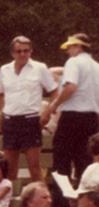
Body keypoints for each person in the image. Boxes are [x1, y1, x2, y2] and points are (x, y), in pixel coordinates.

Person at [0, 36, 57, 185]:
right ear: (12, 53)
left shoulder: (40, 68)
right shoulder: (5, 70)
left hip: (31, 121)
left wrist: (47, 112)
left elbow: (54, 91)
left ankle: (43, 198)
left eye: (26, 51)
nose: (22, 54)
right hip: (10, 122)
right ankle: (8, 199)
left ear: (31, 51)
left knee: (35, 169)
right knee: (9, 170)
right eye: (19, 51)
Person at [42, 33, 99, 187]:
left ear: (78, 47)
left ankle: (61, 199)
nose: (68, 51)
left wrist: (55, 104)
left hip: (72, 117)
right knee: (85, 161)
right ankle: (86, 197)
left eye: (70, 47)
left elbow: (71, 87)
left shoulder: (73, 62)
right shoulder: (96, 67)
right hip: (92, 119)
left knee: (62, 161)